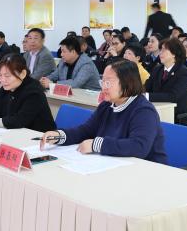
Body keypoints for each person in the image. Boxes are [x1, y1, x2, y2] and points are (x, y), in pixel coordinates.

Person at [39, 60, 167, 163]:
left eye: (108, 83)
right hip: (114, 164)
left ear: (128, 83)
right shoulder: (107, 105)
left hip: (146, 171)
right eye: (103, 82)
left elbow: (139, 147)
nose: (103, 87)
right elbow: (86, 131)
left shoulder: (143, 111)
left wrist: (97, 145)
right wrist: (59, 136)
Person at [0, 54, 55, 132]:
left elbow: (18, 121)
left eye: (7, 76)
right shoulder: (7, 88)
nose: (3, 80)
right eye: (0, 75)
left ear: (23, 74)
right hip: (15, 134)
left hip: (39, 137)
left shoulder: (34, 92)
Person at [145, 38, 187, 116]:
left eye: (164, 50)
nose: (160, 53)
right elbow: (147, 87)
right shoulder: (157, 69)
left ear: (174, 54)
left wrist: (147, 96)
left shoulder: (183, 72)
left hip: (177, 115)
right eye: (160, 50)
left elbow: (173, 96)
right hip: (156, 110)